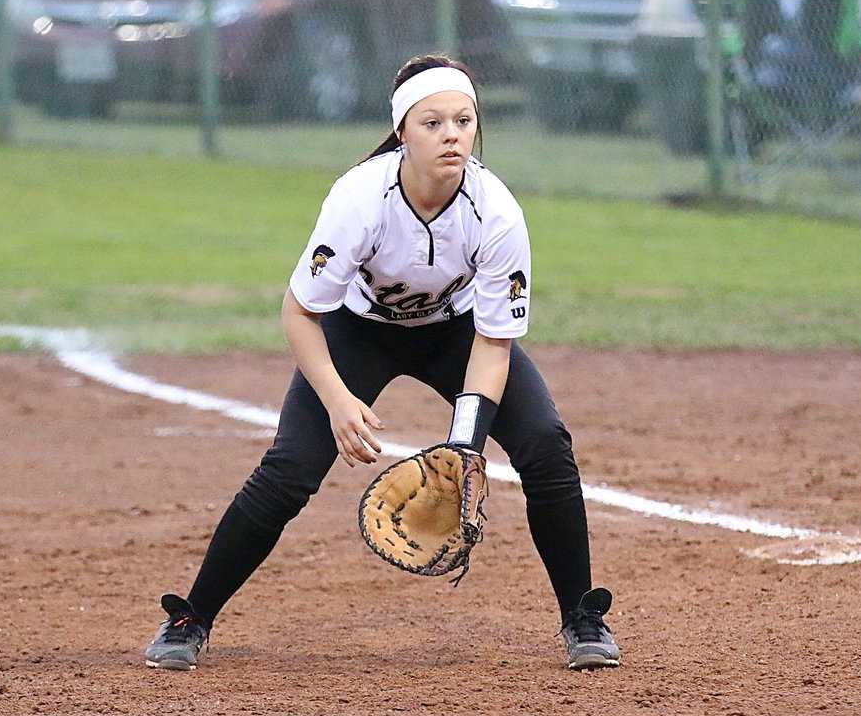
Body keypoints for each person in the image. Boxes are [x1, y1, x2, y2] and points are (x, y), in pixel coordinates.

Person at [143, 53, 621, 673]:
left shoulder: (497, 212)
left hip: (456, 334)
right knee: (290, 469)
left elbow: (493, 340)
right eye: (432, 123)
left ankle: (583, 618)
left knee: (546, 446)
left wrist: (465, 446)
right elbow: (299, 312)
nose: (451, 135)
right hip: (358, 333)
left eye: (464, 121)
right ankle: (191, 618)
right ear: (401, 131)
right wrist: (339, 402)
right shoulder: (361, 197)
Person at [740, 0, 860, 114]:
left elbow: (826, 35)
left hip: (815, 56)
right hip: (773, 65)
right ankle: (842, 90)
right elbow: (752, 37)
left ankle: (818, 111)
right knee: (769, 69)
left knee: (776, 50)